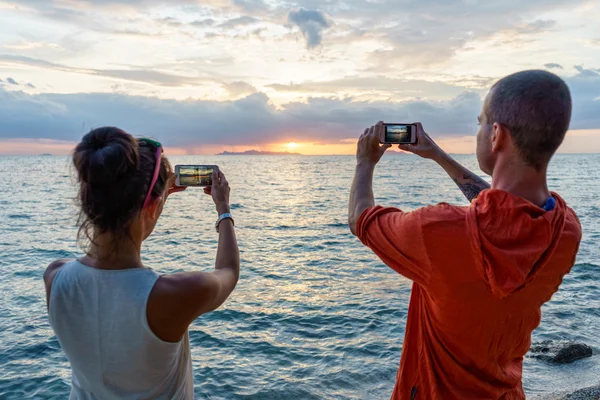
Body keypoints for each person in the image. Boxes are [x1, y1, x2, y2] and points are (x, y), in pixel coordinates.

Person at [348, 70, 582, 400]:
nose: (479, 131)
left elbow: (362, 220)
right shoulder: (566, 230)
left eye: (481, 122)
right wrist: (439, 156)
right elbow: (507, 210)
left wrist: (364, 162)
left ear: (496, 135)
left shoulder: (437, 232)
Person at [43, 127, 239, 399]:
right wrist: (223, 208)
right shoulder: (176, 294)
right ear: (150, 207)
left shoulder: (55, 277)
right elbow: (228, 271)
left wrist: (154, 201)